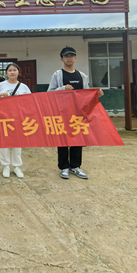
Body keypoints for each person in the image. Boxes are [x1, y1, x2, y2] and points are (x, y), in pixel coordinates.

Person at [48, 46, 104, 180]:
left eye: (71, 56)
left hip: (78, 113)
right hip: (62, 113)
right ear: (62, 59)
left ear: (75, 58)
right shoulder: (58, 75)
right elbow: (49, 93)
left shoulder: (82, 76)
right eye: (66, 56)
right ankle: (64, 167)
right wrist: (62, 88)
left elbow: (87, 95)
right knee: (62, 140)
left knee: (78, 139)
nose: (69, 58)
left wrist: (96, 95)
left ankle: (75, 166)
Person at [0, 63, 31, 179]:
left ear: (18, 72)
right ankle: (6, 166)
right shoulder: (0, 85)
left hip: (19, 118)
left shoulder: (24, 87)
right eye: (10, 70)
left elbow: (31, 102)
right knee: (4, 142)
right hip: (4, 118)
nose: (12, 72)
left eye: (14, 70)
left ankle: (17, 166)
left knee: (18, 143)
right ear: (6, 73)